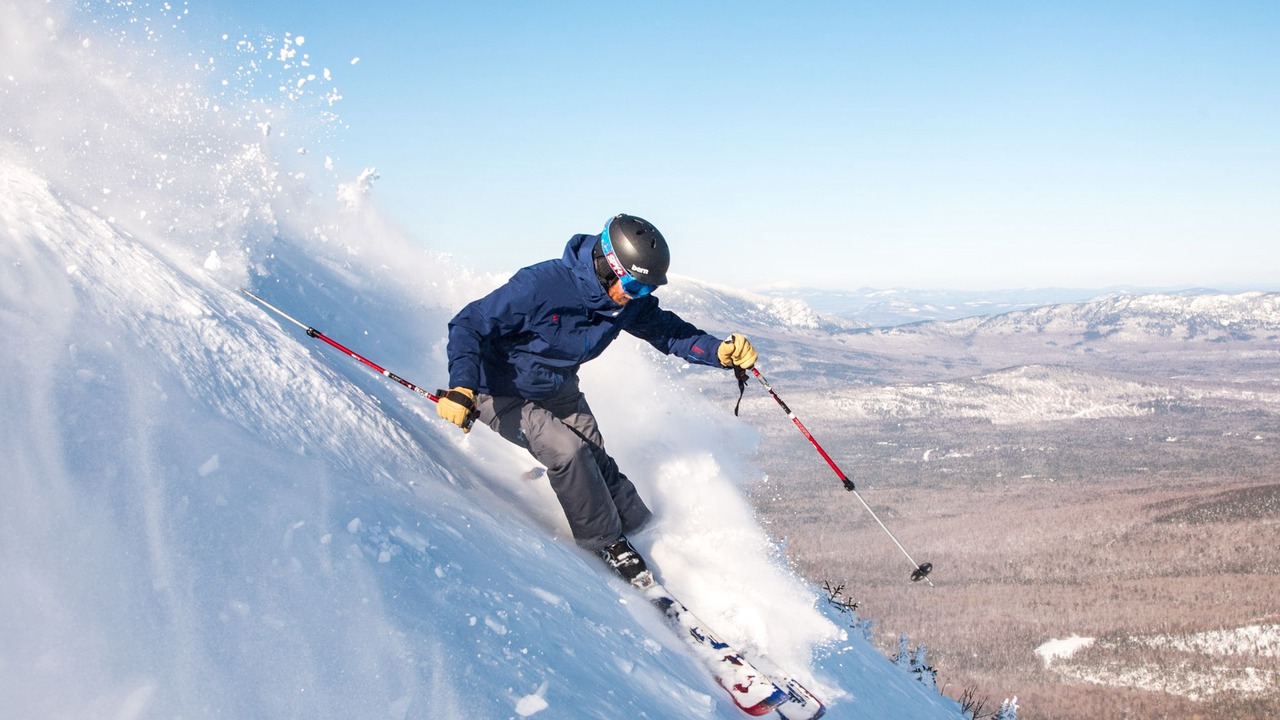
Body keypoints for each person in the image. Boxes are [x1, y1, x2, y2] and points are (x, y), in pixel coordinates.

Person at [437, 214, 758, 582]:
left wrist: (718, 352)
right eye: (636, 288)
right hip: (497, 387)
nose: (639, 297)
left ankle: (643, 528)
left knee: (594, 455)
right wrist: (461, 386)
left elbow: (669, 333)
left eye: (646, 291)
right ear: (609, 266)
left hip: (555, 386)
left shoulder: (625, 300)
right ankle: (605, 543)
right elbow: (468, 323)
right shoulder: (540, 285)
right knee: (567, 451)